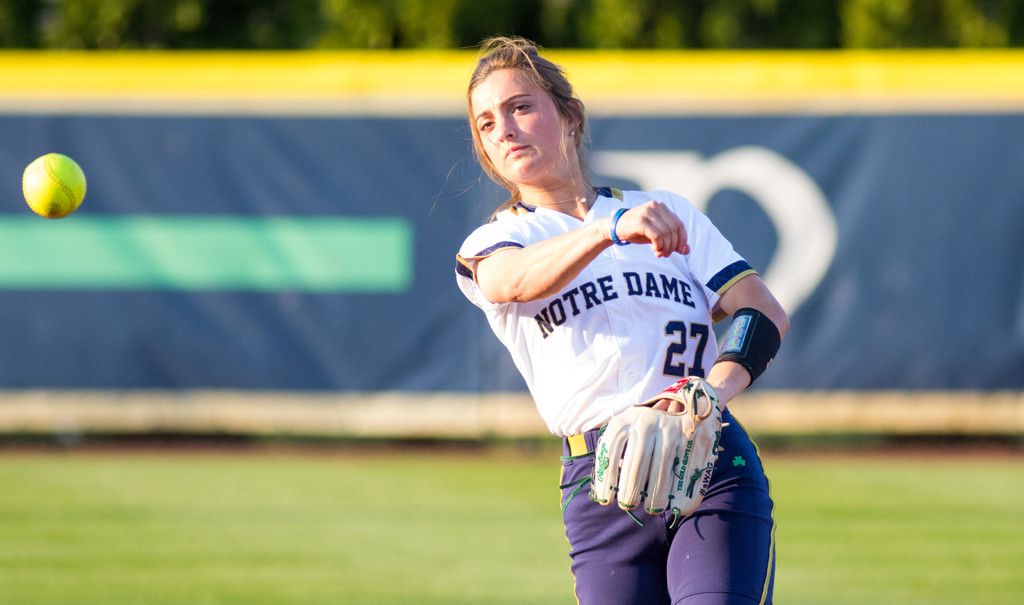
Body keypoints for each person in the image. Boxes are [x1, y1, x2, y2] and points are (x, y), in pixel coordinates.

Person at [455, 36, 790, 605]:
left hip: (706, 452)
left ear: (570, 116)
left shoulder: (668, 211)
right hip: (600, 483)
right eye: (486, 124)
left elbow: (762, 310)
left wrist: (710, 394)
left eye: (521, 106)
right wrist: (607, 230)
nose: (504, 129)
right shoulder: (499, 238)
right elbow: (509, 282)